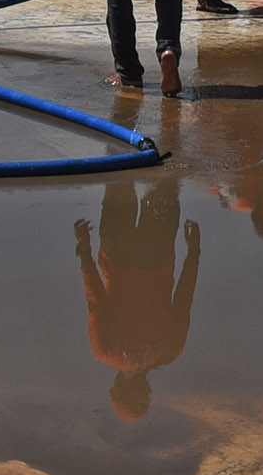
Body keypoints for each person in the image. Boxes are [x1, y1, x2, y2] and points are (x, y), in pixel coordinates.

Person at [74, 178, 198, 420]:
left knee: (164, 180)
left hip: (157, 255)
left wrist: (193, 254)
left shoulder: (171, 351)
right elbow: (95, 305)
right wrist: (84, 254)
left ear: (147, 391)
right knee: (119, 179)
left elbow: (184, 299)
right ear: (115, 389)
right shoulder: (105, 353)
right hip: (117, 255)